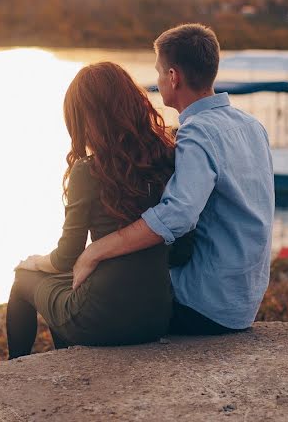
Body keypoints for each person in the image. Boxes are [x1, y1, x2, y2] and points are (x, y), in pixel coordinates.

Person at [72, 23, 275, 335]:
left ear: (173, 77)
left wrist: (95, 251)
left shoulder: (198, 132)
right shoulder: (250, 125)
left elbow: (177, 215)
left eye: (158, 72)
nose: (157, 80)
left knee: (100, 287)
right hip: (243, 301)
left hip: (203, 304)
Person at [6, 62, 177, 358]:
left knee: (23, 279)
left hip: (102, 320)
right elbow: (182, 245)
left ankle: (14, 368)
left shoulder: (88, 171)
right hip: (157, 316)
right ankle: (72, 357)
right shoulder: (167, 157)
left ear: (86, 118)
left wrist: (35, 262)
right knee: (69, 286)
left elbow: (67, 257)